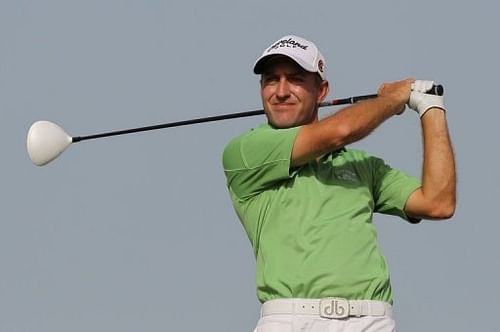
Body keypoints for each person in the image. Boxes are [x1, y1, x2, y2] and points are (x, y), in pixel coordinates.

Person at [222, 35, 456, 332]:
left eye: (294, 80)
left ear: (322, 91)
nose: (281, 92)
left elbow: (438, 202)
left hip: (372, 320)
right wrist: (390, 100)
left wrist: (431, 108)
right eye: (271, 80)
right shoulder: (246, 150)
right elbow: (338, 131)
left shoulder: (362, 166)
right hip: (291, 320)